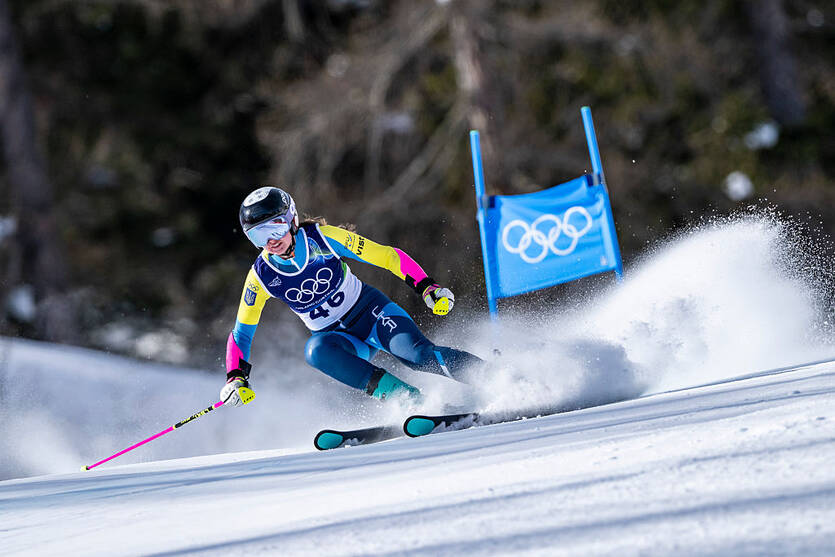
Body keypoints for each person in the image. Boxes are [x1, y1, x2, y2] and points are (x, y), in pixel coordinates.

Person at [220, 186, 483, 407]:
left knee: (419, 357)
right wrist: (235, 377)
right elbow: (241, 333)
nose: (270, 241)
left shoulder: (324, 239)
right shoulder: (261, 276)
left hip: (372, 315)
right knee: (316, 351)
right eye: (258, 235)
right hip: (342, 340)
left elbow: (388, 256)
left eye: (275, 228)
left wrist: (427, 286)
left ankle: (493, 376)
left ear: (291, 220)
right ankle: (413, 402)